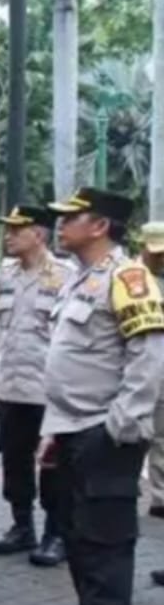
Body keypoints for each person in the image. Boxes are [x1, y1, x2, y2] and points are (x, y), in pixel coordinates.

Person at [39, 188, 164, 605]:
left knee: (105, 542)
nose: (60, 225)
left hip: (104, 434)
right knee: (78, 536)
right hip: (72, 430)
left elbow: (150, 358)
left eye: (71, 218)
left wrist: (119, 426)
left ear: (99, 227)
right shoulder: (81, 280)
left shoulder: (129, 278)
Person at [0, 206, 72, 565]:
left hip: (48, 388)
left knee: (53, 464)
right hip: (12, 385)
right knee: (14, 459)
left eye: (17, 229)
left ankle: (56, 533)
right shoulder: (6, 275)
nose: (8, 235)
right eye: (7, 228)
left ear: (39, 234)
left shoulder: (66, 275)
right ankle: (22, 526)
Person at [140, 222, 164, 528]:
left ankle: (159, 496)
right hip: (137, 371)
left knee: (161, 437)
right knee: (132, 432)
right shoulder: (129, 278)